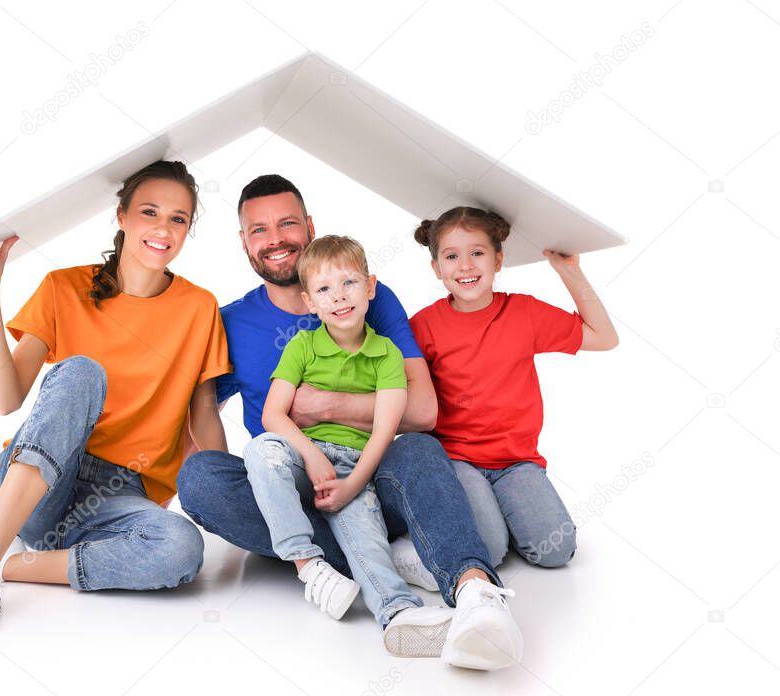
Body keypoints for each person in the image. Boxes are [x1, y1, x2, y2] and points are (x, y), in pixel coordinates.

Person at [178, 175, 523, 670]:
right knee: (201, 477)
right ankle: (383, 559)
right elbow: (203, 407)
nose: (275, 238)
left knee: (420, 450)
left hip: (369, 469)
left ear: (310, 227)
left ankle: (474, 593)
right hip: (291, 485)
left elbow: (423, 412)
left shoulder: (370, 300)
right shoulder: (231, 322)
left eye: (288, 223)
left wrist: (325, 405)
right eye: (259, 229)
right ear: (244, 242)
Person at [0, 160, 231, 648]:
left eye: (178, 218)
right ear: (121, 216)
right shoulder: (63, 287)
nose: (163, 229)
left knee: (182, 548)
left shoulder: (200, 307)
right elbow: (5, 397)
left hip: (121, 501)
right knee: (81, 371)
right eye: (149, 212)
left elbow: (203, 417)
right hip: (38, 480)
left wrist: (219, 494)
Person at [410, 206, 619, 569]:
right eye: (452, 256)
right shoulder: (424, 325)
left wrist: (569, 272)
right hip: (458, 460)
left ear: (498, 259)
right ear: (436, 268)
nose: (465, 266)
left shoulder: (524, 313)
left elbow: (604, 337)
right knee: (487, 552)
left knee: (556, 551)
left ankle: (501, 510)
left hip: (516, 462)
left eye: (477, 253)